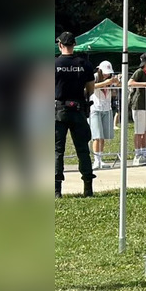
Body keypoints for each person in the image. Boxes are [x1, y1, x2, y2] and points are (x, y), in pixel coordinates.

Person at [55, 32, 99, 198]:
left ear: (60, 45)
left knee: (57, 151)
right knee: (82, 150)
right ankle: (88, 188)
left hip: (58, 110)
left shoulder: (53, 63)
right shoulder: (85, 64)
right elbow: (91, 89)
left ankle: (56, 190)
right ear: (74, 45)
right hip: (78, 109)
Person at [89, 60, 119, 170]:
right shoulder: (95, 76)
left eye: (109, 72)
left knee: (104, 136)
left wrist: (116, 81)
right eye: (105, 72)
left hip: (107, 108)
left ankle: (100, 159)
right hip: (95, 108)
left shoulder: (110, 78)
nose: (107, 74)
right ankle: (96, 160)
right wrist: (107, 82)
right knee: (97, 136)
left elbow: (118, 87)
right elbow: (92, 86)